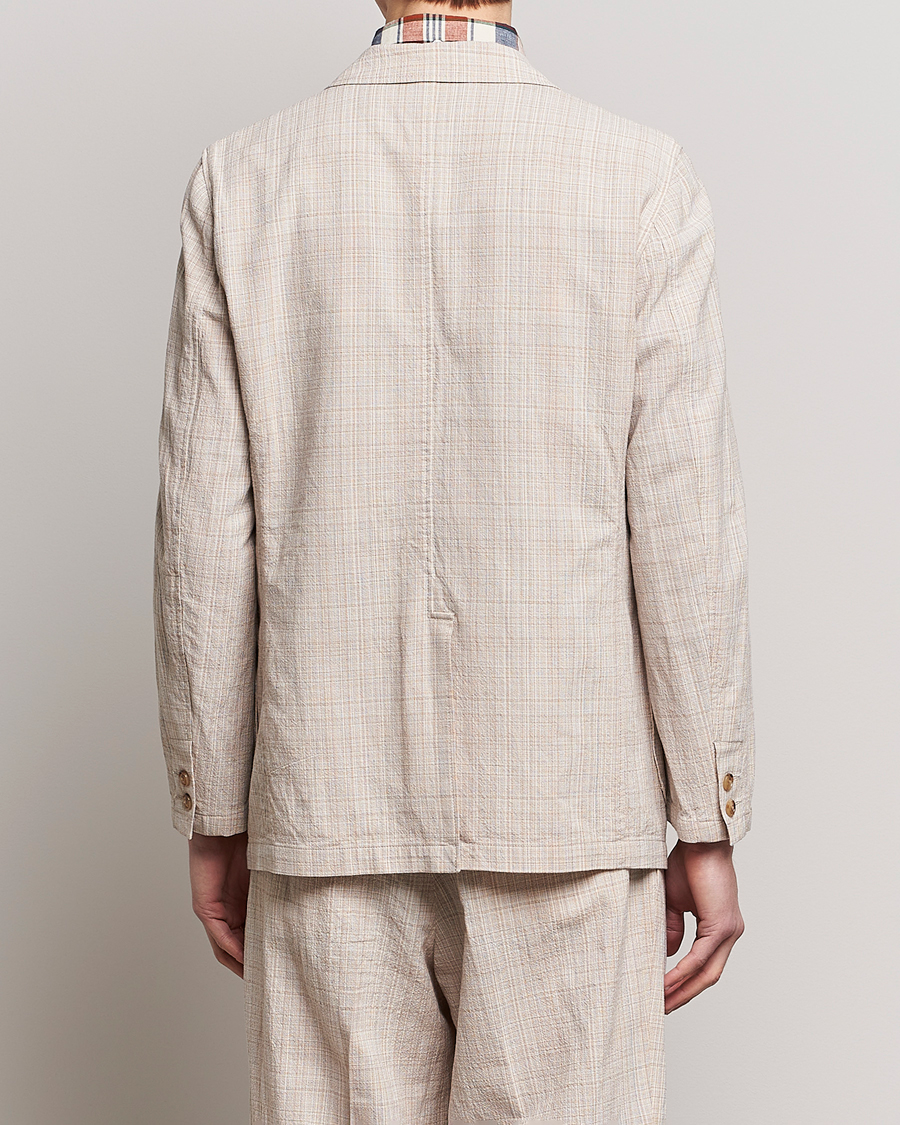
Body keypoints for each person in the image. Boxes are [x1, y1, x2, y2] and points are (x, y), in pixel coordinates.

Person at [153, 1, 754, 1121]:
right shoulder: (638, 178)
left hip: (327, 798)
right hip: (568, 806)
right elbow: (683, 528)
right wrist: (706, 815)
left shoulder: (244, 180)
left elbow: (202, 536)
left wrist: (215, 806)